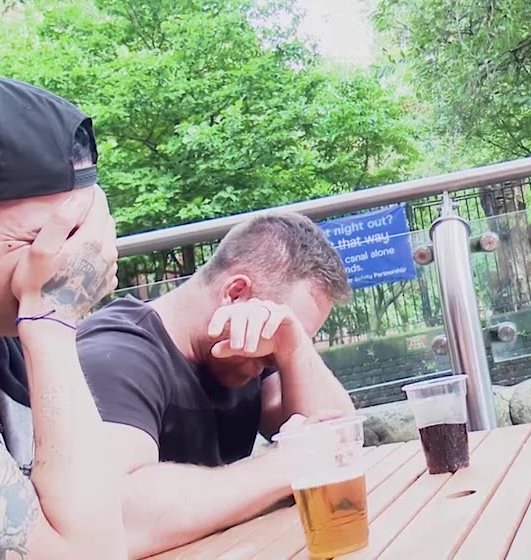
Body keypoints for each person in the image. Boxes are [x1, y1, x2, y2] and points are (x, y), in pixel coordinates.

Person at [76, 210, 358, 558]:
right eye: (275, 352)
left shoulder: (253, 343)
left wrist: (295, 348)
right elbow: (115, 519)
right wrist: (286, 465)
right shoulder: (116, 356)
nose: (271, 360)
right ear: (236, 293)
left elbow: (338, 443)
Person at [0, 72, 127, 558]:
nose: (69, 262)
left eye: (81, 233)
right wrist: (52, 326)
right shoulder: (41, 332)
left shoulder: (8, 358)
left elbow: (112, 518)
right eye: (39, 239)